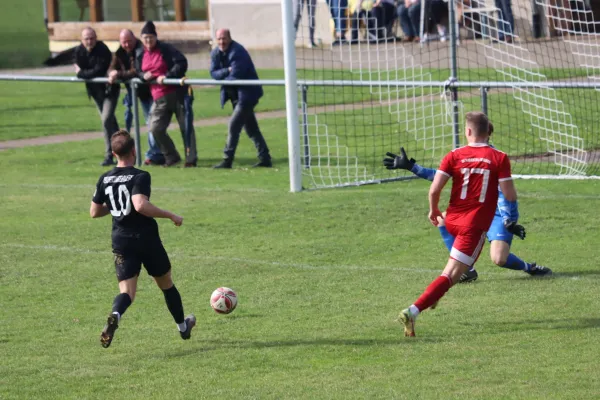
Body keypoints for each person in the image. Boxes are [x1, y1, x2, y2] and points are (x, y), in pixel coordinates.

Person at [392, 112, 518, 337]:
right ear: (488, 131)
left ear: (467, 131)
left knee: (452, 272)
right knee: (451, 275)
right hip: (473, 225)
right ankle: (412, 311)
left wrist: (433, 209)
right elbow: (508, 194)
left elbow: (435, 188)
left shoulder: (454, 155)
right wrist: (511, 215)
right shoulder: (499, 157)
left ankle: (433, 297)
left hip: (451, 220)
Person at [383, 122, 552, 284]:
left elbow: (503, 194)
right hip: (473, 212)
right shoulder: (462, 155)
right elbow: (439, 176)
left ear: (470, 132)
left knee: (499, 258)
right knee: (442, 220)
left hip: (497, 214)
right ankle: (467, 270)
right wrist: (412, 167)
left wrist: (508, 219)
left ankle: (529, 267)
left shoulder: (494, 158)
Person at [90, 129, 196, 348]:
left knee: (127, 292)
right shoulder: (140, 175)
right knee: (166, 284)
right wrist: (170, 215)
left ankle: (116, 315)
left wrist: (118, 206)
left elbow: (94, 211)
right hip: (146, 238)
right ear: (134, 150)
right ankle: (182, 327)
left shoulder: (105, 178)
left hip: (121, 240)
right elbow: (140, 205)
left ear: (113, 153)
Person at [135, 21, 198, 168]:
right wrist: (143, 75)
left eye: (151, 37)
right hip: (158, 97)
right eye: (145, 38)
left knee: (185, 127)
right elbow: (138, 71)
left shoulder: (166, 49)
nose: (148, 41)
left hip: (177, 93)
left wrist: (167, 76)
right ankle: (171, 155)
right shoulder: (140, 54)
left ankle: (191, 159)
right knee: (155, 128)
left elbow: (182, 62)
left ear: (156, 37)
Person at [210, 29, 272, 169]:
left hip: (247, 94)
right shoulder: (215, 53)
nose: (221, 42)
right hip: (236, 96)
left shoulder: (238, 52)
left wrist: (227, 74)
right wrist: (227, 70)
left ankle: (227, 160)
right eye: (219, 39)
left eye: (224, 38)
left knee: (234, 125)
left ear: (230, 38)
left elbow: (235, 76)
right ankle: (265, 157)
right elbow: (213, 73)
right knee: (251, 128)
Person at [108, 29, 165, 166]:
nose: (126, 45)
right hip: (133, 92)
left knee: (151, 122)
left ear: (134, 39)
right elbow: (112, 67)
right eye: (123, 42)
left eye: (129, 41)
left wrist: (119, 74)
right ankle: (142, 153)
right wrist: (112, 73)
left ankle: (154, 154)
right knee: (131, 122)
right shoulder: (120, 52)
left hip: (149, 91)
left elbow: (137, 71)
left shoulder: (141, 50)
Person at [74, 27, 120, 166]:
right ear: (82, 40)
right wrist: (83, 73)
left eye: (92, 38)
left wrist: (81, 73)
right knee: (111, 123)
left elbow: (98, 71)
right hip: (95, 92)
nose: (89, 41)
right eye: (86, 39)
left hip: (109, 91)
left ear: (96, 38)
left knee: (106, 120)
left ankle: (108, 155)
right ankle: (125, 150)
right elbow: (82, 67)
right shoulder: (79, 51)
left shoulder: (102, 49)